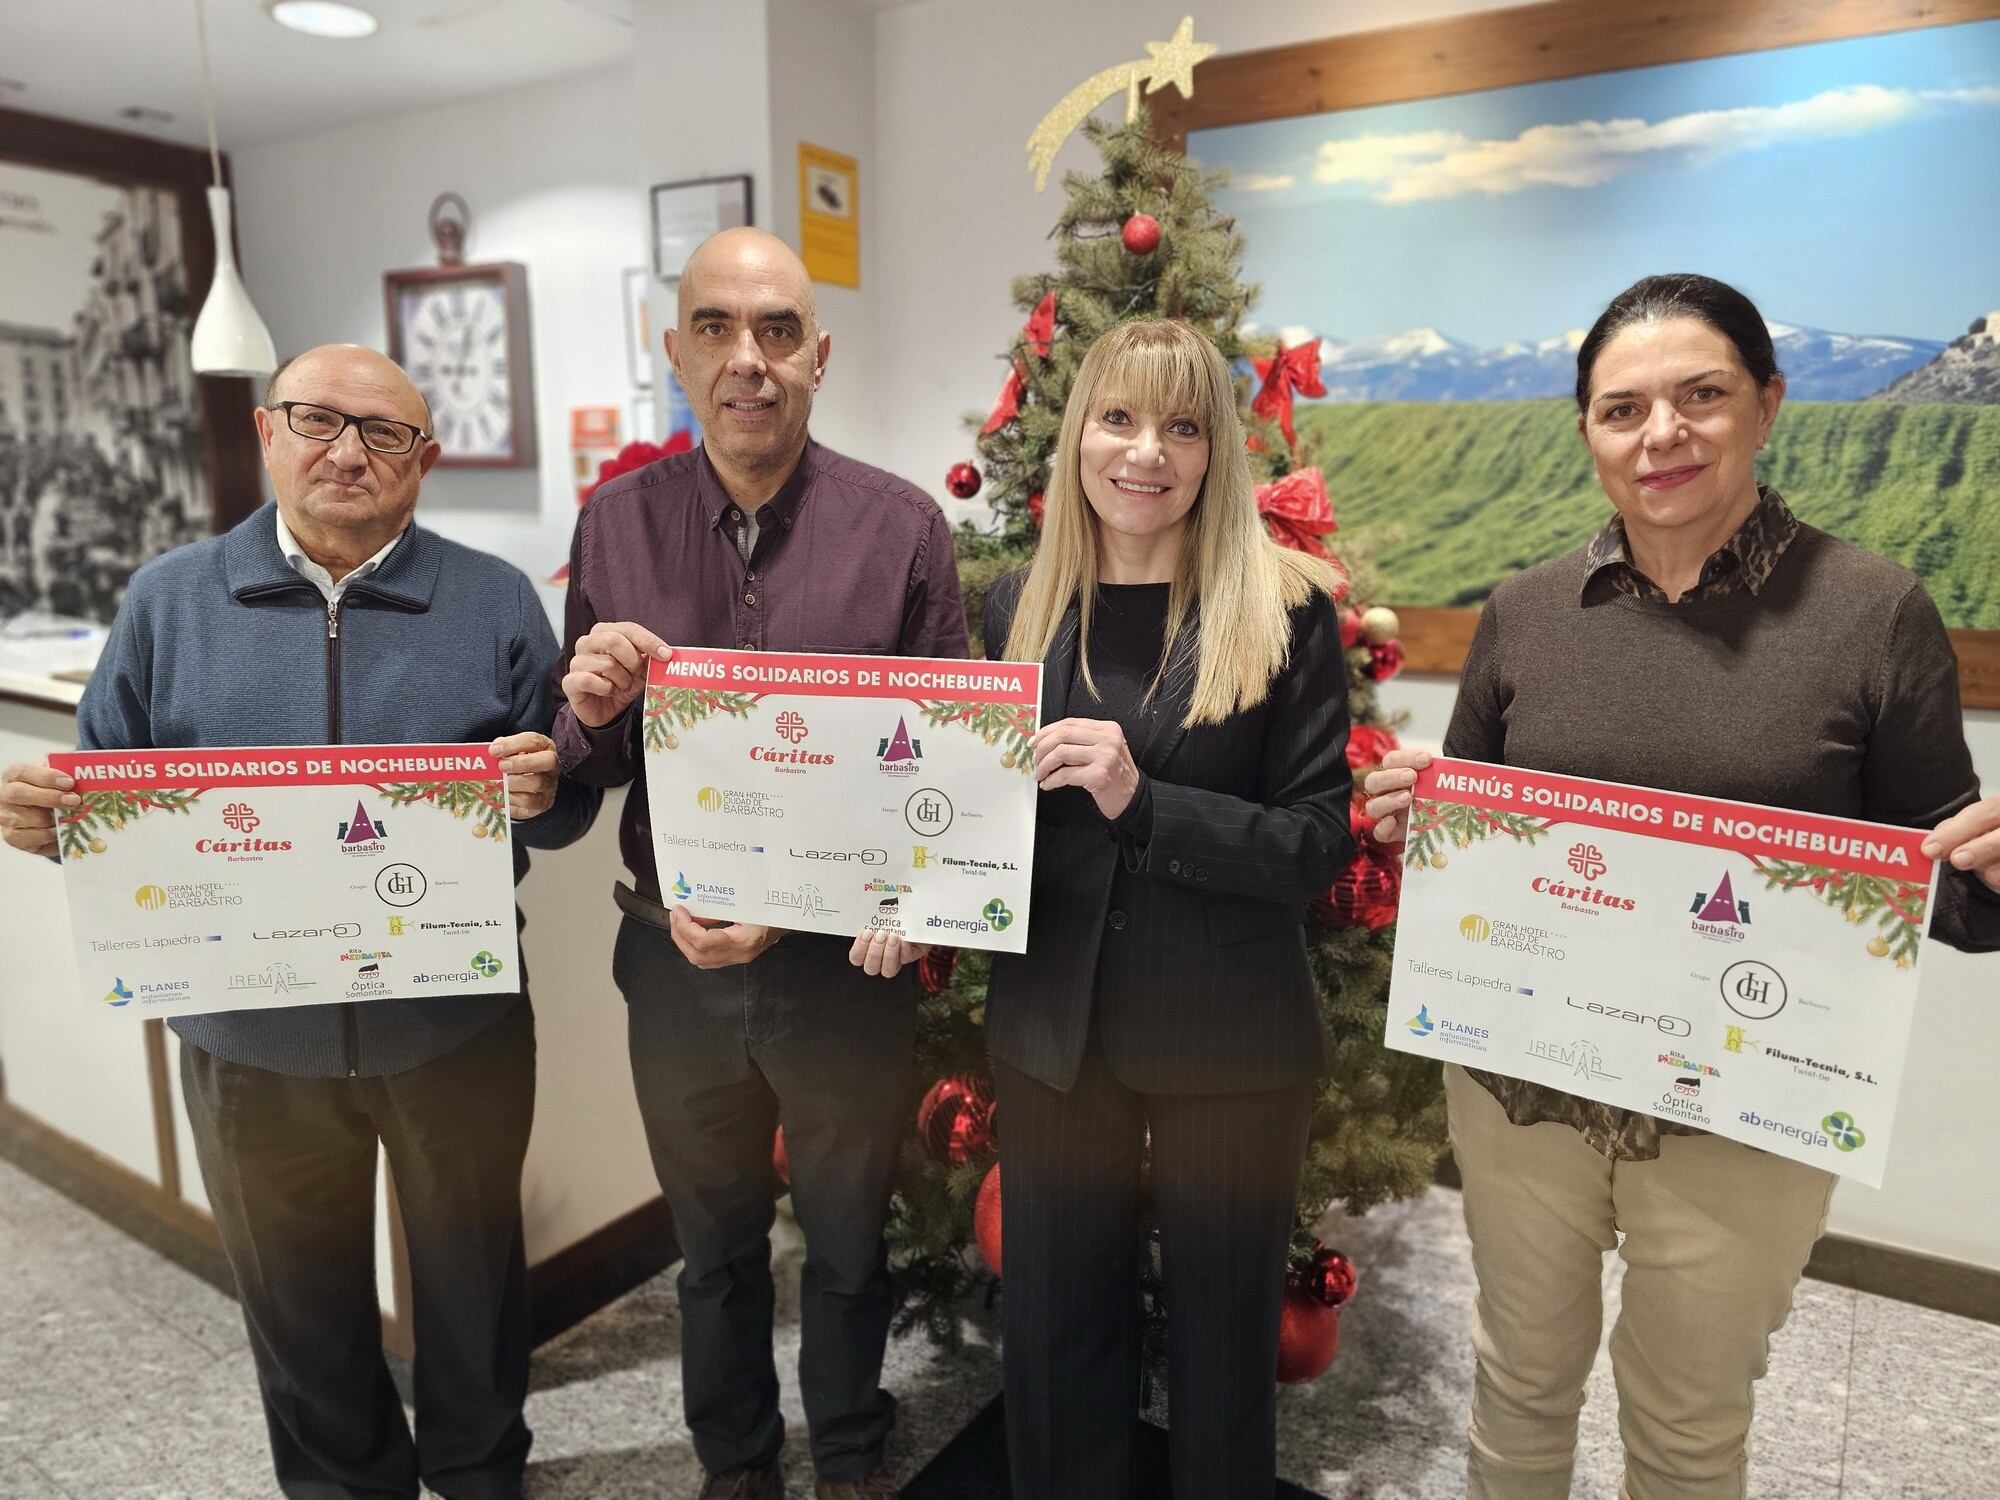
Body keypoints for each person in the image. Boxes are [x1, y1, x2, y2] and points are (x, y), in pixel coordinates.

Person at [1362, 273, 2000, 1500]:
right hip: (1520, 1088)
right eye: (1621, 409)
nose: (1660, 434)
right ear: (1586, 430)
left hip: (1745, 1107)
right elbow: (1482, 851)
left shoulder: (1871, 612)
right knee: (1516, 1383)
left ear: (1764, 404)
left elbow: (1948, 890)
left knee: (1686, 1427)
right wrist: (1420, 826)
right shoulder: (1528, 612)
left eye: (1698, 396)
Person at [0, 344, 599, 1500]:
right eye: (319, 420)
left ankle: (482, 1477)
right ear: (268, 432)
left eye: (385, 433)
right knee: (300, 1311)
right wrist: (52, 818)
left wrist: (547, 789)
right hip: (247, 1044)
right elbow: (110, 793)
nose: (349, 451)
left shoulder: (493, 600)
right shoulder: (170, 599)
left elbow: (558, 808)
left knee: (475, 1294)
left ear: (423, 461)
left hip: (455, 1030)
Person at [553, 227, 966, 1500]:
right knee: (713, 1245)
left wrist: (840, 906)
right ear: (675, 350)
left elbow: (942, 772)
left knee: (846, 1239)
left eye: (777, 331)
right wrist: (585, 704)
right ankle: (734, 1463)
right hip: (668, 962)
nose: (749, 360)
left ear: (817, 356)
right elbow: (587, 763)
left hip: (839, 969)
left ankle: (846, 1449)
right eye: (719, 330)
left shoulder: (900, 531)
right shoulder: (612, 526)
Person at [979, 318, 1353, 1499]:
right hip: (1053, 1030)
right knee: (1052, 1342)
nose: (1146, 452)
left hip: (1230, 1036)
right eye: (1119, 418)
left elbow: (1310, 847)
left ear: (1214, 454)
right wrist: (908, 898)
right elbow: (963, 815)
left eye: (1181, 427)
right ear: (1077, 434)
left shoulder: (1285, 612)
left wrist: (1146, 804)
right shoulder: (1009, 612)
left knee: (1222, 1348)